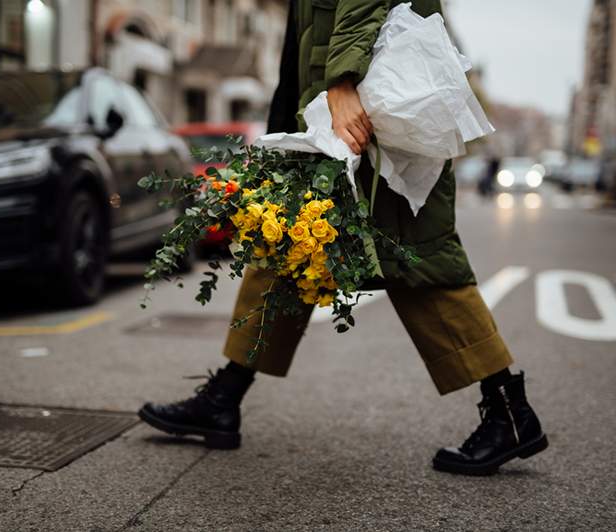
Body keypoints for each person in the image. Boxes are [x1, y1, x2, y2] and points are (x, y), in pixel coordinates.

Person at [139, 0, 548, 476]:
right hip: (332, 107)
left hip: (368, 109)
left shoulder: (349, 89)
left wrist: (342, 80)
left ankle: (508, 411)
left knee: (418, 258)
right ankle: (225, 396)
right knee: (291, 244)